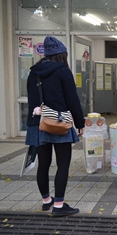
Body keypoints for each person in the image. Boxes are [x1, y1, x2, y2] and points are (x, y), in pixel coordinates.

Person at [25, 36, 85, 217]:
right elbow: (72, 100)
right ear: (61, 55)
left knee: (43, 164)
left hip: (38, 123)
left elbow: (32, 99)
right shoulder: (63, 72)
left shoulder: (33, 72)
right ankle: (59, 205)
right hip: (58, 123)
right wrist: (80, 123)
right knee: (63, 164)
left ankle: (46, 201)